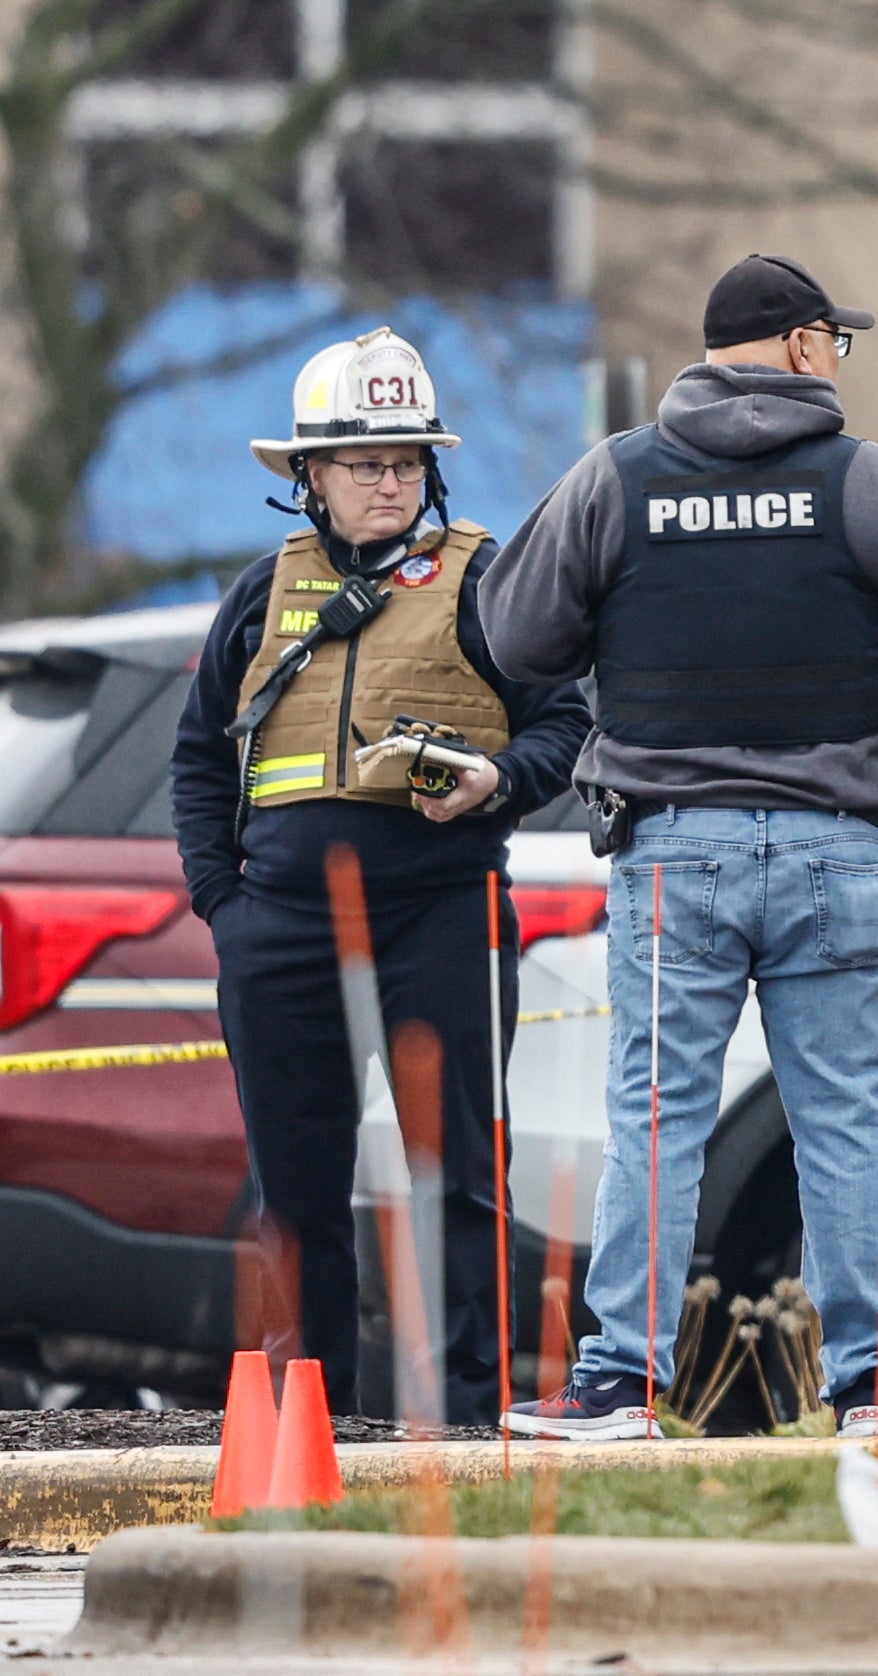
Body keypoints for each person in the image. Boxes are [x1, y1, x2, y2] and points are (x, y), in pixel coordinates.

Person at [479, 255, 878, 1439]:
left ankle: (622, 1380)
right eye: (839, 339)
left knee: (656, 1120)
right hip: (834, 854)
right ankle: (873, 1383)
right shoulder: (863, 480)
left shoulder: (616, 478)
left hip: (674, 857)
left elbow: (513, 631)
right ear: (803, 344)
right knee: (845, 1120)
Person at [172, 328, 591, 1421]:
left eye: (406, 461)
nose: (389, 481)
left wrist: (495, 780)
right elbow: (197, 755)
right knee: (298, 1194)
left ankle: (461, 1416)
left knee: (454, 1180)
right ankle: (311, 1418)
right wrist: (228, 908)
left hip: (439, 915)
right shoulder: (263, 594)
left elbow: (565, 724)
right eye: (365, 463)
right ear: (308, 477)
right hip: (280, 931)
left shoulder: (485, 577)